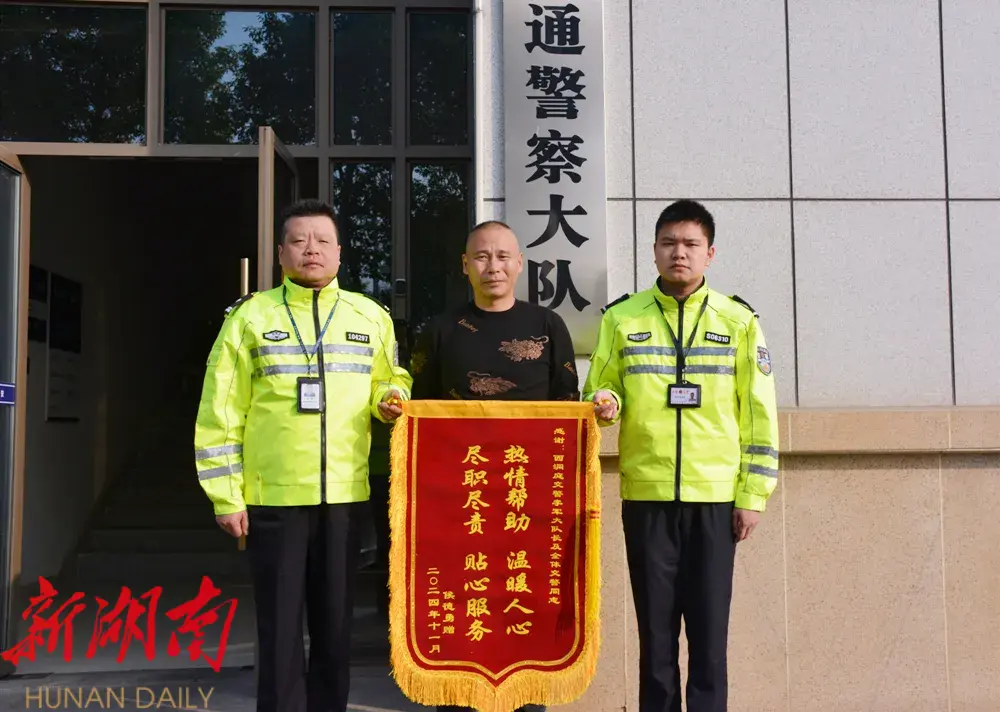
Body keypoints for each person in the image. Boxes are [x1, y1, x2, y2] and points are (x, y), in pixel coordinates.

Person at [193, 198, 412, 712]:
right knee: (279, 626)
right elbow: (220, 411)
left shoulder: (370, 316)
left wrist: (389, 397)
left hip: (345, 496)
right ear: (280, 253)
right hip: (273, 499)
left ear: (339, 252)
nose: (310, 249)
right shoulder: (249, 318)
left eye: (321, 241)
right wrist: (226, 496)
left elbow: (390, 379)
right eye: (298, 240)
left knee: (335, 626)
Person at [583, 200, 780, 712]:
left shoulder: (738, 321)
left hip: (715, 499)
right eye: (669, 243)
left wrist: (753, 495)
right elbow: (600, 388)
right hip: (647, 496)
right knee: (655, 635)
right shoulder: (622, 319)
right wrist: (605, 404)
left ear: (710, 254)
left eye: (691, 244)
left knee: (710, 636)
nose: (679, 253)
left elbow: (758, 413)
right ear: (654, 250)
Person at [409, 220, 579, 712]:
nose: (493, 266)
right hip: (462, 498)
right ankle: (456, 697)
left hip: (529, 499)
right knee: (465, 601)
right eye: (482, 257)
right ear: (466, 266)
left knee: (525, 600)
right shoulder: (440, 330)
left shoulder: (548, 326)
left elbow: (568, 407)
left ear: (520, 263)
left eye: (503, 256)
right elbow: (419, 413)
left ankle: (527, 698)